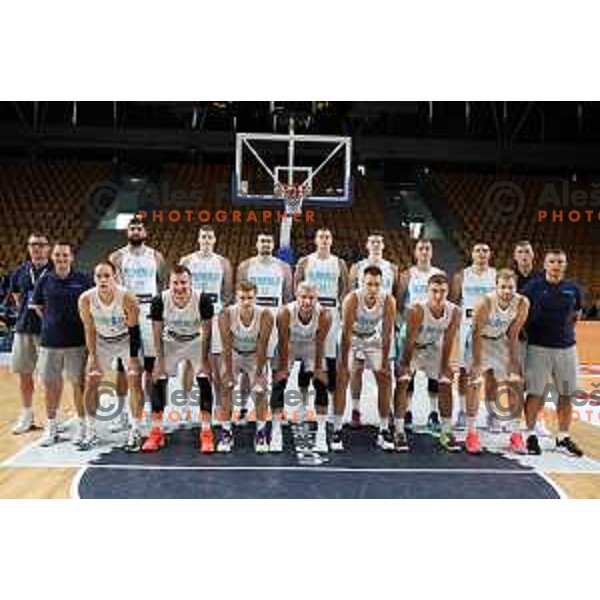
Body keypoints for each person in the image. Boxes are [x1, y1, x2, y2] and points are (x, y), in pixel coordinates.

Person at [521, 249, 584, 457]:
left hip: (566, 348)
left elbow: (576, 314)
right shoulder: (533, 287)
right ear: (545, 264)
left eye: (560, 262)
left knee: (566, 394)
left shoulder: (573, 289)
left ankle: (563, 437)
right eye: (552, 261)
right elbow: (521, 314)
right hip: (538, 347)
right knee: (535, 394)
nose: (556, 265)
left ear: (564, 265)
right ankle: (530, 435)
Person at [145, 265, 214, 452]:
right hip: (171, 341)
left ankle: (206, 431)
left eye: (183, 282)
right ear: (169, 284)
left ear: (191, 283)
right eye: (175, 283)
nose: (179, 287)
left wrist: (205, 361)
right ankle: (156, 431)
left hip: (195, 340)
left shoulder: (203, 300)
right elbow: (157, 333)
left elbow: (207, 333)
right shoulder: (159, 300)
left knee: (204, 378)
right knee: (158, 378)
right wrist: (159, 361)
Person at [30, 242, 93, 446]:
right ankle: (51, 427)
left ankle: (83, 426)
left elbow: (93, 306)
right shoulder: (45, 280)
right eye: (58, 255)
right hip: (50, 342)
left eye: (65, 255)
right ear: (52, 257)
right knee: (51, 386)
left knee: (78, 385)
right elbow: (38, 306)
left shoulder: (83, 280)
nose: (61, 258)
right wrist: (51, 322)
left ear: (71, 257)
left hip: (77, 342)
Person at [109, 217, 167, 432]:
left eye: (139, 228)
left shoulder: (156, 256)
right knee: (124, 369)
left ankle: (153, 413)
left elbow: (162, 284)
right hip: (126, 315)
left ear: (145, 232)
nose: (135, 231)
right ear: (127, 232)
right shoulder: (116, 257)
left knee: (151, 367)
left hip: (150, 314)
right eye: (132, 228)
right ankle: (122, 414)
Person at [78, 261, 143, 451]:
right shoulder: (85, 299)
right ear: (94, 278)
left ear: (115, 278)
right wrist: (93, 357)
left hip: (125, 339)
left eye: (107, 276)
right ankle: (91, 432)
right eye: (99, 276)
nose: (103, 280)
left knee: (134, 379)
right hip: (102, 340)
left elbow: (134, 330)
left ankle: (135, 430)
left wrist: (132, 359)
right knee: (92, 380)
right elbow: (89, 329)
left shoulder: (127, 298)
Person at [394, 273, 461, 452]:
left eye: (442, 291)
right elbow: (408, 341)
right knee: (403, 381)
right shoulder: (416, 310)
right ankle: (399, 430)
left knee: (446, 381)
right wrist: (405, 366)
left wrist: (445, 366)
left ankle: (446, 431)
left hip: (433, 346)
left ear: (447, 292)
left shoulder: (455, 311)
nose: (438, 295)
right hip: (412, 347)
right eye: (434, 291)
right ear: (427, 291)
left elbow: (448, 340)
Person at [332, 265, 396, 452]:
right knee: (343, 377)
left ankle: (384, 430)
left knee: (385, 377)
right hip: (351, 337)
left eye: (377, 284)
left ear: (381, 284)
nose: (373, 289)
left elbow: (386, 333)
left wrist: (383, 363)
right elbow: (345, 334)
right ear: (362, 283)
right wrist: (344, 362)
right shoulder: (352, 299)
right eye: (369, 284)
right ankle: (336, 429)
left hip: (371, 338)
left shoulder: (388, 300)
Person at [467, 269, 530, 454]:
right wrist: (477, 364)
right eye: (502, 287)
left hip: (501, 340)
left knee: (515, 382)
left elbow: (513, 334)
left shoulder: (522, 303)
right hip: (480, 341)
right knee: (475, 382)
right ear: (496, 287)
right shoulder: (485, 303)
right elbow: (476, 333)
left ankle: (516, 434)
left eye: (510, 287)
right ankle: (471, 433)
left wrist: (514, 363)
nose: (506, 291)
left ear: (516, 288)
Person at [180, 225, 233, 423]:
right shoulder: (187, 260)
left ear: (214, 239)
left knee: (216, 361)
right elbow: (180, 288)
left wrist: (218, 310)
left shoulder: (223, 262)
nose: (206, 240)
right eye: (203, 236)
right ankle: (185, 405)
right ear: (198, 238)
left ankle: (219, 404)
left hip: (214, 314)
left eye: (210, 237)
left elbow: (227, 292)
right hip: (191, 316)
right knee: (188, 361)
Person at [236, 232, 293, 419]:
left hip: (276, 321)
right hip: (252, 322)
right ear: (256, 243)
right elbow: (240, 294)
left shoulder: (283, 267)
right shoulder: (246, 266)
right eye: (262, 241)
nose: (265, 244)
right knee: (248, 368)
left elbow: (287, 297)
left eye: (269, 241)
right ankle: (243, 406)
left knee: (276, 367)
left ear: (273, 244)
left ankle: (276, 406)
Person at [271, 281, 331, 452]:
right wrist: (283, 369)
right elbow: (282, 341)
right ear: (296, 297)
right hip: (289, 345)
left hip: (311, 346)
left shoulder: (324, 315)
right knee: (278, 383)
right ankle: (276, 430)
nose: (307, 302)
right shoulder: (285, 312)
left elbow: (320, 343)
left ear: (316, 299)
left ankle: (321, 433)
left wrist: (318, 368)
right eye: (303, 297)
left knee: (321, 384)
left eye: (311, 298)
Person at [295, 228, 349, 416]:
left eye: (327, 237)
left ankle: (331, 403)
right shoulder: (305, 261)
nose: (324, 240)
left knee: (329, 357)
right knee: (307, 357)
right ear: (315, 240)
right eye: (321, 237)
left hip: (332, 311)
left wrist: (339, 306)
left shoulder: (339, 263)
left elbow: (345, 287)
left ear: (331, 240)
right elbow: (297, 285)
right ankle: (302, 405)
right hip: (311, 311)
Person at [347, 232, 399, 427]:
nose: (376, 244)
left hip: (381, 324)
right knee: (356, 369)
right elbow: (350, 295)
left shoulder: (392, 268)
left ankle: (388, 410)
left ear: (383, 245)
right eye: (373, 241)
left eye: (379, 241)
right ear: (367, 245)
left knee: (385, 370)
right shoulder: (357, 268)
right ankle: (355, 409)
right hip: (360, 325)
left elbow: (394, 297)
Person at [218, 280, 273, 453]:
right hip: (233, 354)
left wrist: (259, 374)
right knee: (226, 388)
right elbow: (226, 345)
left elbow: (263, 344)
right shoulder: (226, 314)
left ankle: (261, 431)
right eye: (242, 298)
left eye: (250, 298)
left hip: (254, 355)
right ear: (236, 297)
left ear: (256, 297)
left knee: (260, 390)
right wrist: (227, 372)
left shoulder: (265, 315)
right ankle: (226, 431)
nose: (246, 302)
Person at [396, 237, 444, 434]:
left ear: (431, 252)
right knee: (409, 375)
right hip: (412, 330)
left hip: (433, 331)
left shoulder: (439, 274)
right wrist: (402, 327)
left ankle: (433, 413)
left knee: (435, 376)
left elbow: (444, 302)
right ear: (415, 252)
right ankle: (407, 412)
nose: (424, 251)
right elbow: (399, 303)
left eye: (427, 248)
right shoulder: (407, 275)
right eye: (421, 248)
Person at [8, 232, 52, 434]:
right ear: (28, 247)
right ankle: (27, 415)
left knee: (50, 378)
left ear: (48, 248)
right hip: (24, 329)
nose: (37, 248)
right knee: (25, 376)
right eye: (33, 244)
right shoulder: (19, 272)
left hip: (49, 332)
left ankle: (54, 418)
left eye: (41, 244)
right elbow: (17, 297)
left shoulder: (55, 270)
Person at [451, 242, 497, 429]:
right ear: (472, 254)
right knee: (463, 371)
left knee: (491, 372)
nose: (481, 254)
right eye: (477, 250)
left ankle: (493, 414)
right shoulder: (461, 276)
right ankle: (463, 411)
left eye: (485, 250)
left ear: (490, 254)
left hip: (491, 329)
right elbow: (454, 305)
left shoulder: (495, 275)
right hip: (466, 327)